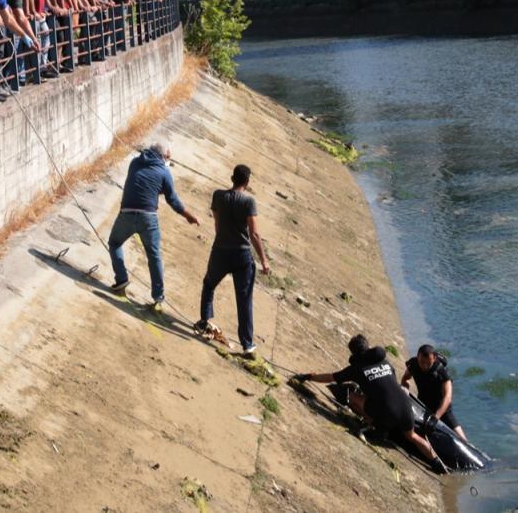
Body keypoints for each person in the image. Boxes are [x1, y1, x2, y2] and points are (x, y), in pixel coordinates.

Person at [295, 336, 450, 474]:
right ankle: (437, 463)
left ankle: (376, 426)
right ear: (367, 347)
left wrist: (309, 377)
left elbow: (331, 377)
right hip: (405, 406)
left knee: (354, 397)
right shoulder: (384, 361)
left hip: (386, 412)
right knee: (412, 436)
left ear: (353, 353)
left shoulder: (356, 368)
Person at [107, 142, 199, 312]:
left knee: (114, 243)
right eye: (168, 156)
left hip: (126, 213)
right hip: (148, 218)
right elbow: (172, 199)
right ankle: (158, 298)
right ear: (163, 156)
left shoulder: (135, 162)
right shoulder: (164, 172)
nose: (169, 159)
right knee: (154, 255)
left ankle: (121, 279)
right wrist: (188, 216)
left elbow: (140, 183)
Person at [194, 165, 269, 359]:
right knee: (244, 300)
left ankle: (204, 320)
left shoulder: (218, 196)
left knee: (209, 284)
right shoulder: (249, 201)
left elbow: (217, 224)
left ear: (232, 178)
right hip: (242, 255)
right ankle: (247, 345)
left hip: (220, 250)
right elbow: (254, 233)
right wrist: (264, 260)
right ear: (247, 182)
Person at [402, 344, 468, 441]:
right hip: (423, 405)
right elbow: (405, 379)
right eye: (422, 362)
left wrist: (436, 417)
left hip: (442, 409)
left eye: (428, 363)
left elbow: (448, 397)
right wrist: (405, 390)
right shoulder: (413, 364)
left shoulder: (441, 371)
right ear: (417, 357)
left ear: (434, 358)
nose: (424, 366)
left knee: (462, 438)